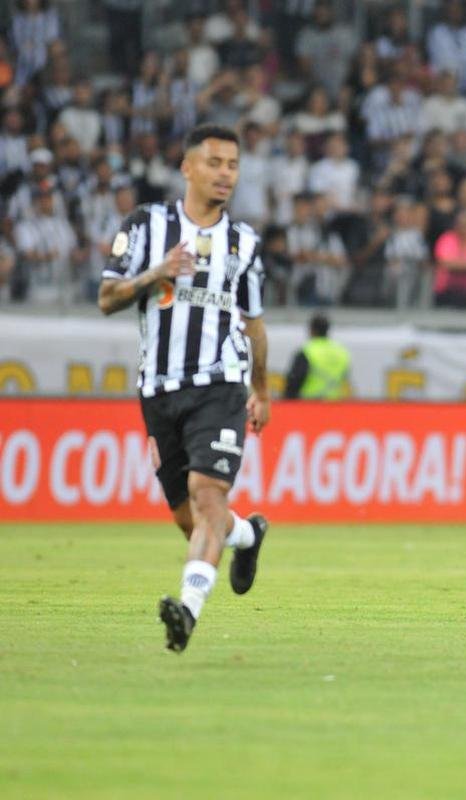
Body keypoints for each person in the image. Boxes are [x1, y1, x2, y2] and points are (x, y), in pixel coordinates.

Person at [97, 124, 270, 654]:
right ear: (187, 168)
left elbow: (254, 322)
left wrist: (260, 389)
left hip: (221, 384)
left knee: (207, 495)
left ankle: (187, 611)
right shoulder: (146, 225)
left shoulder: (243, 243)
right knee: (186, 514)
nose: (225, 174)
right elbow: (107, 297)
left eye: (233, 165)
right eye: (215, 162)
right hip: (159, 389)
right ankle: (246, 535)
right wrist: (158, 272)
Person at [284, 313, 351, 400]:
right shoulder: (342, 352)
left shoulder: (307, 351)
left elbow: (294, 382)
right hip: (335, 405)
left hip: (310, 405)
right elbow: (344, 379)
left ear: (312, 330)